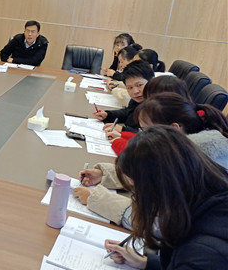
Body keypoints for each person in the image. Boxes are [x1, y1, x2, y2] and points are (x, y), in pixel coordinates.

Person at [104, 127, 228, 270]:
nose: (137, 200)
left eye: (137, 193)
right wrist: (146, 263)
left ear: (161, 188)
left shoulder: (208, 254)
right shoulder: (210, 199)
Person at [74, 93, 228, 227]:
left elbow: (160, 224)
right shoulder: (185, 147)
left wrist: (98, 200)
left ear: (174, 129)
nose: (141, 136)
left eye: (147, 130)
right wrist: (106, 175)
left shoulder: (191, 161)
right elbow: (152, 174)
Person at [94, 60, 155, 135]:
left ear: (152, 81)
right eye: (130, 87)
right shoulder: (139, 99)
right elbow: (128, 113)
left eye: (139, 85)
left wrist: (124, 130)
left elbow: (153, 137)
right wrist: (108, 115)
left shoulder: (159, 105)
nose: (135, 91)